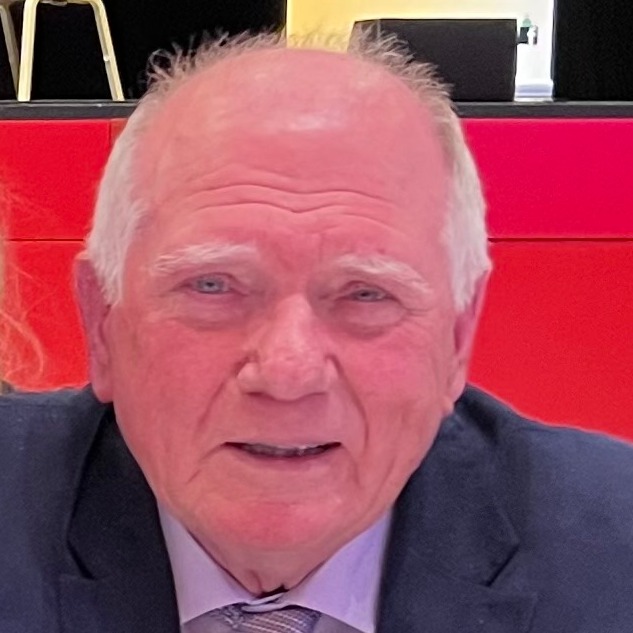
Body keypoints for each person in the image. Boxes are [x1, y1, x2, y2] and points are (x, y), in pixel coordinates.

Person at [1, 31, 633, 633]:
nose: (287, 372)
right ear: (102, 322)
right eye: (213, 286)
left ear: (458, 338)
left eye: (366, 294)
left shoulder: (610, 553)